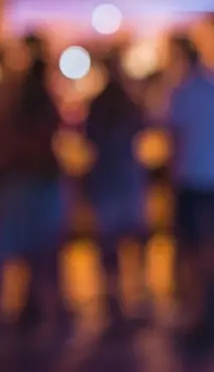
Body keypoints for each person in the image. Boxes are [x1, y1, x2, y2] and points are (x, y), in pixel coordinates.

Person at [0, 36, 70, 336]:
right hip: (31, 181)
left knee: (7, 252)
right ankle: (42, 312)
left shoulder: (2, 96)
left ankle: (2, 316)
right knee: (42, 251)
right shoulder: (33, 100)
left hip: (14, 182)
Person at [167, 35, 214, 343]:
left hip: (192, 177)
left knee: (194, 246)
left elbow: (174, 135)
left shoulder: (181, 94)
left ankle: (199, 308)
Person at [82, 49, 153, 331]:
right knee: (135, 239)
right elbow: (144, 127)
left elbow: (89, 138)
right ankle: (139, 294)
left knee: (109, 243)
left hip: (108, 177)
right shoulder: (128, 102)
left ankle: (114, 299)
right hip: (126, 177)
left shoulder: (99, 103)